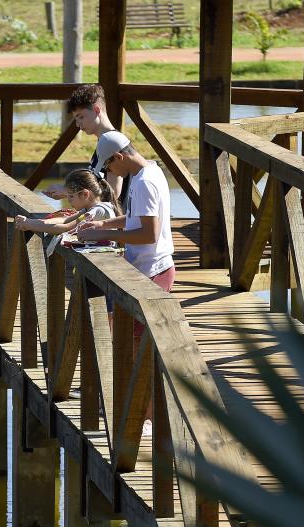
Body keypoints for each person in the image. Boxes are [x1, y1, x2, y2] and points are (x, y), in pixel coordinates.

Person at [78, 130, 174, 438]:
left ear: (118, 158)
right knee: (133, 344)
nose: (108, 175)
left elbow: (148, 234)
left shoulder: (144, 183)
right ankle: (144, 414)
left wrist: (101, 237)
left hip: (152, 271)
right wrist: (104, 225)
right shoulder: (151, 171)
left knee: (139, 349)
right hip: (149, 268)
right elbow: (135, 219)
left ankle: (148, 420)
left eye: (107, 168)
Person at [44, 85, 130, 210]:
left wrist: (67, 191)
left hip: (114, 223)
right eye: (76, 119)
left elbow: (113, 194)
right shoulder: (104, 142)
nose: (78, 124)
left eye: (81, 117)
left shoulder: (112, 143)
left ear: (96, 110)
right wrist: (68, 192)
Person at [14, 169, 120, 235]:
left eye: (71, 196)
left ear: (85, 194)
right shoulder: (88, 209)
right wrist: (30, 222)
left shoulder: (97, 211)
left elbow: (66, 228)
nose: (68, 199)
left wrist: (29, 225)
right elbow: (65, 220)